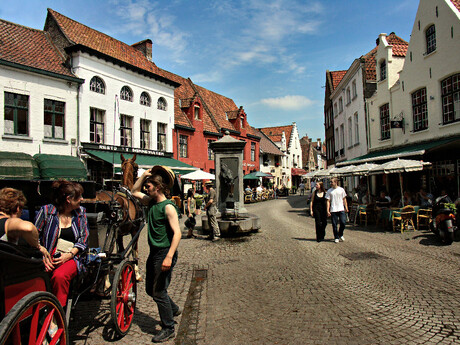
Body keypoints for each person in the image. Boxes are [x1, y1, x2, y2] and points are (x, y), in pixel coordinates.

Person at [131, 166, 182, 343]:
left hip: (165, 252)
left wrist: (169, 257)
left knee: (159, 291)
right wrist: (145, 176)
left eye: (149, 186)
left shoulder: (168, 207)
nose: (146, 189)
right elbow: (133, 191)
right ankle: (173, 308)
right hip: (154, 252)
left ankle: (168, 328)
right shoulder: (150, 202)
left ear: (158, 188)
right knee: (149, 289)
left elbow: (178, 233)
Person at [34, 180, 89, 308]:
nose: (82, 199)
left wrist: (69, 255)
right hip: (48, 254)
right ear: (69, 199)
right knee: (38, 276)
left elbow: (83, 239)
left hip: (72, 256)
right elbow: (34, 235)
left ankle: (57, 314)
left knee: (60, 276)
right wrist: (41, 250)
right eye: (79, 196)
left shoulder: (81, 213)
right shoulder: (47, 211)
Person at [326, 177, 348, 243]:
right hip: (333, 209)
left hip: (341, 208)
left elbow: (344, 199)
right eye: (330, 182)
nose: (331, 183)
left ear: (336, 182)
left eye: (332, 182)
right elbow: (328, 201)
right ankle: (336, 237)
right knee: (334, 224)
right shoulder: (329, 191)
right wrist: (328, 210)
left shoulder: (341, 190)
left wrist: (346, 207)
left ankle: (340, 234)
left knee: (343, 222)